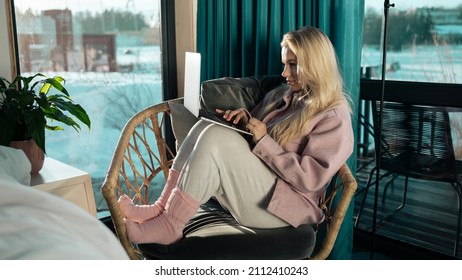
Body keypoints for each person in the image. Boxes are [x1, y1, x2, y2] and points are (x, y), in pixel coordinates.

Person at [118, 26, 354, 245]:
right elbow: (254, 134)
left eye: (292, 65)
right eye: (284, 64)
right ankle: (162, 208)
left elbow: (310, 180)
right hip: (258, 188)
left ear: (316, 65)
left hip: (285, 209)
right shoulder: (283, 94)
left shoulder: (334, 117)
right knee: (205, 127)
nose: (284, 73)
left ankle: (171, 225)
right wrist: (246, 118)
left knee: (216, 136)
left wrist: (264, 140)